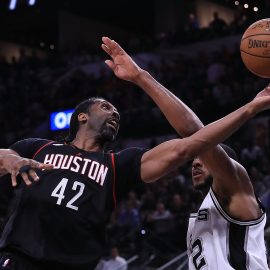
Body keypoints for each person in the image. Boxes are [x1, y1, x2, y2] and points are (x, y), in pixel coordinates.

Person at [0, 37, 269, 270]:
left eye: (117, 113)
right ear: (81, 116)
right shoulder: (39, 147)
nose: (115, 113)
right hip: (22, 258)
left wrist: (251, 108)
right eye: (106, 107)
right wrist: (11, 159)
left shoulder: (118, 165)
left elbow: (187, 143)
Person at [99, 37, 269, 269]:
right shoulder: (207, 210)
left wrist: (141, 77)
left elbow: (191, 131)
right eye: (194, 160)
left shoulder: (237, 190)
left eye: (204, 160)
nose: (195, 164)